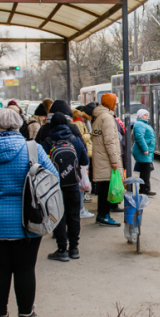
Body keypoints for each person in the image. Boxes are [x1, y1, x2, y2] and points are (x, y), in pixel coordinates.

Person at [0, 108, 56, 317]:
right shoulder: (33, 149)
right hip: (26, 219)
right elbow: (53, 176)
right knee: (25, 269)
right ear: (19, 125)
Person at [43, 112, 89, 261]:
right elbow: (84, 160)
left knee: (59, 216)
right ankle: (74, 249)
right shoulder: (74, 140)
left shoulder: (48, 141)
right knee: (74, 216)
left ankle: (62, 249)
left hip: (55, 186)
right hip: (73, 184)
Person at [91, 93, 123, 227]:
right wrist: (114, 160)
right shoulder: (107, 118)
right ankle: (104, 215)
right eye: (114, 103)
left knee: (104, 188)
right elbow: (110, 141)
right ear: (109, 103)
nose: (116, 105)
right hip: (107, 160)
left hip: (101, 158)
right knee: (106, 190)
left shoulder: (99, 116)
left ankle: (102, 215)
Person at [72, 108, 94, 218]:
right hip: (83, 154)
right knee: (81, 183)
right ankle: (80, 208)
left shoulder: (77, 121)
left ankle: (80, 207)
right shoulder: (79, 122)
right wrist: (89, 135)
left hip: (82, 154)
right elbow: (81, 137)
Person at [132, 109, 156, 196]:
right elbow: (139, 137)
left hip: (144, 151)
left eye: (147, 115)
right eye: (145, 115)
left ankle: (144, 189)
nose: (147, 117)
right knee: (146, 170)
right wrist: (145, 149)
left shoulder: (143, 124)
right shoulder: (139, 124)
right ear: (140, 116)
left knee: (145, 170)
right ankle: (145, 190)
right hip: (142, 151)